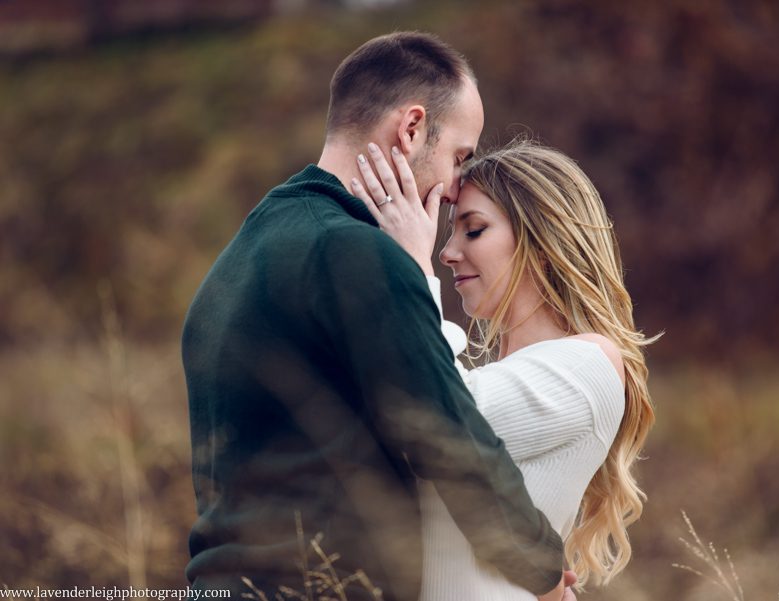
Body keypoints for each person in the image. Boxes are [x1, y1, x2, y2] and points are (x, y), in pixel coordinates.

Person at [181, 32, 575, 601]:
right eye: (459, 157)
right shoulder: (357, 255)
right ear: (411, 128)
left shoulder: (242, 254)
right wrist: (544, 570)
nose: (453, 190)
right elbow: (448, 437)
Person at [351, 137, 657, 599]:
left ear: (542, 242)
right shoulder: (503, 374)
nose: (446, 252)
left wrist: (412, 271)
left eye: (473, 230)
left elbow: (436, 417)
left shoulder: (590, 363)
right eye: (451, 233)